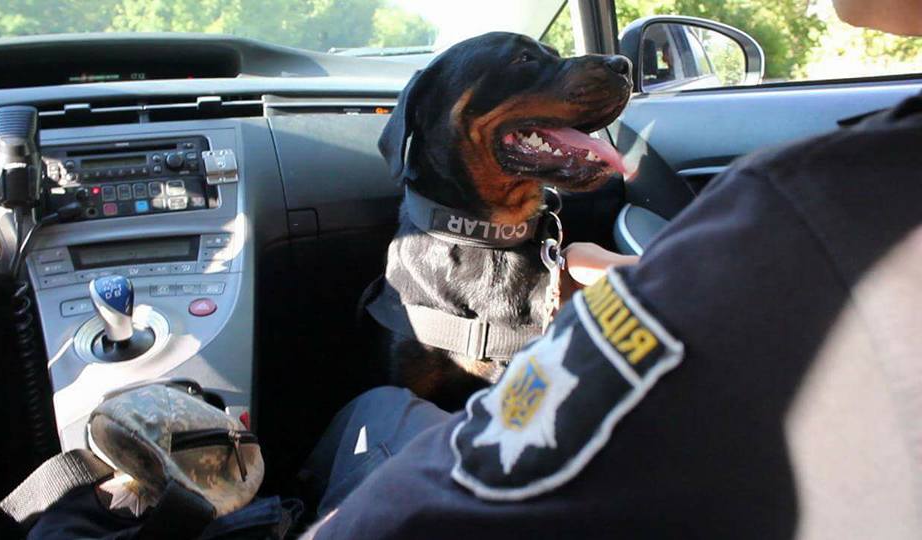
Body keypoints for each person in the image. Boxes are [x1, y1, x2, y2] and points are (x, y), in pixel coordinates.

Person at [298, 1, 922, 537]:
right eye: (525, 63)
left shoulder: (810, 198)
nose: (612, 70)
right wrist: (622, 273)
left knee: (374, 411)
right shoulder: (862, 187)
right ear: (424, 114)